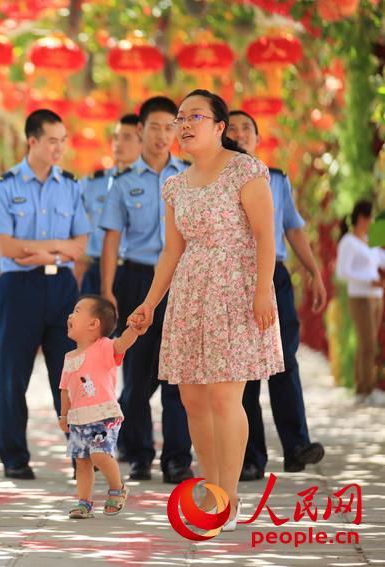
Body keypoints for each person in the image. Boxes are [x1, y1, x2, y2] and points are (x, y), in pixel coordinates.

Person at [127, 89, 284, 532]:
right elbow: (171, 252)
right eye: (181, 118)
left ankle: (229, 501)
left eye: (195, 116)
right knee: (193, 399)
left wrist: (262, 289)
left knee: (223, 396)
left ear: (219, 126)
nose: (185, 124)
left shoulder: (246, 170)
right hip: (191, 293)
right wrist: (149, 304)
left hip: (236, 289)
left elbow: (265, 235)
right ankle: (211, 489)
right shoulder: (174, 184)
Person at [227, 110, 328, 480]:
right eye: (232, 128)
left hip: (276, 279)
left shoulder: (277, 179)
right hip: (236, 279)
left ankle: (296, 446)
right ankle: (251, 458)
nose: (239, 134)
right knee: (246, 371)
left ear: (257, 138)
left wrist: (315, 272)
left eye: (246, 129)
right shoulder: (217, 180)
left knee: (285, 361)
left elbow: (293, 229)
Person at [99, 97, 193, 484]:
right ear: (141, 130)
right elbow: (111, 239)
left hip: (180, 280)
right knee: (136, 376)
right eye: (154, 127)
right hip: (136, 280)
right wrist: (107, 291)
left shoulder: (189, 177)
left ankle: (177, 459)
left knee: (177, 375)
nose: (162, 135)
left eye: (169, 127)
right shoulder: (122, 183)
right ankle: (139, 453)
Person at [0, 109, 91, 480]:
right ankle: (15, 457)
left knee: (69, 374)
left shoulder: (70, 184)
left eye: (63, 141)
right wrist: (59, 246)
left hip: (62, 287)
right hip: (18, 288)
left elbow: (80, 244)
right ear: (32, 141)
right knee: (11, 376)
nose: (59, 148)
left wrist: (48, 252)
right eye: (52, 140)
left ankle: (78, 453)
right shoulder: (5, 186)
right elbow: (6, 246)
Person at [59, 296, 139, 519]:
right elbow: (64, 389)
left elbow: (123, 342)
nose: (70, 315)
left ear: (93, 324)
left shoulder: (104, 347)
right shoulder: (69, 357)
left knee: (99, 454)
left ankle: (117, 488)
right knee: (82, 463)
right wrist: (63, 415)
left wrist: (134, 328)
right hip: (78, 417)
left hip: (103, 415)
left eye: (76, 311)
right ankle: (84, 503)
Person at [76, 114, 141, 294]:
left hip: (137, 272)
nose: (118, 143)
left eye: (127, 138)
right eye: (116, 137)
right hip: (97, 270)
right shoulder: (92, 184)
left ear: (143, 143)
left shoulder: (156, 185)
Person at [336, 200, 385, 406]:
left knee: (369, 342)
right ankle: (367, 388)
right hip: (360, 297)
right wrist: (369, 280)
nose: (371, 221)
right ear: (361, 218)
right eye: (369, 217)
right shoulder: (348, 242)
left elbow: (379, 261)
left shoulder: (370, 240)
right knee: (367, 344)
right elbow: (342, 272)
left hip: (376, 296)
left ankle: (362, 388)